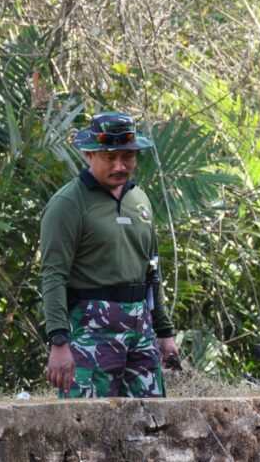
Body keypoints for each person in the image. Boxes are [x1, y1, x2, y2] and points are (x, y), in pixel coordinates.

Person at [40, 112, 178, 397]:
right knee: (88, 429)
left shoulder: (140, 200)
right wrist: (58, 341)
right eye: (109, 157)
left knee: (150, 424)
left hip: (141, 331)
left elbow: (152, 270)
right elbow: (53, 275)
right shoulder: (68, 204)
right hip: (90, 332)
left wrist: (164, 332)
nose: (120, 166)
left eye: (127, 157)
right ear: (89, 155)